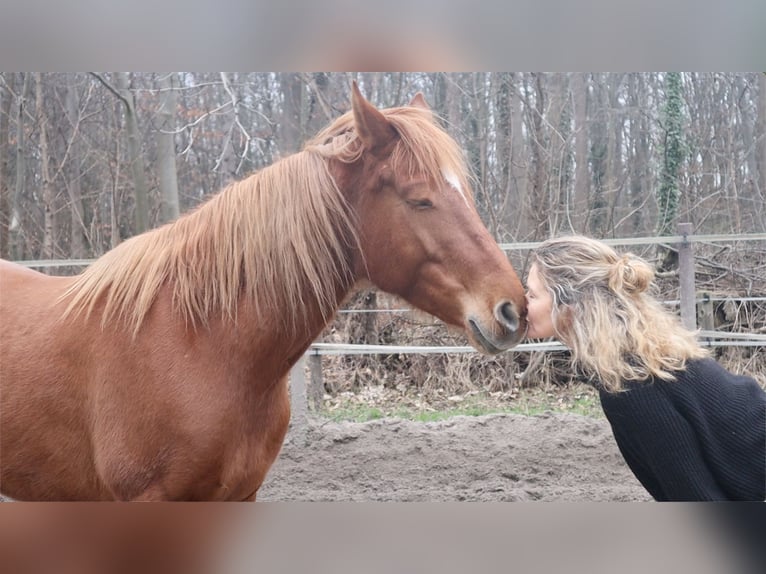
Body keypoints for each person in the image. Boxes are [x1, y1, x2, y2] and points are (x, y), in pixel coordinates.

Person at [524, 234, 766, 501]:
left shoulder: (632, 384)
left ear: (568, 306)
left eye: (532, 295)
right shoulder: (641, 356)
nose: (523, 302)